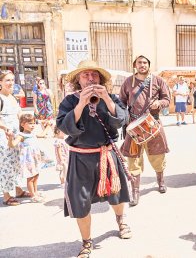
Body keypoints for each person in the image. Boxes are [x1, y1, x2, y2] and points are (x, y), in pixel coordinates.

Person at [56, 60, 132, 257]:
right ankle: (86, 242)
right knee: (80, 202)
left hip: (107, 154)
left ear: (101, 79)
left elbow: (122, 120)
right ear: (77, 80)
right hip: (81, 157)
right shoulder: (69, 101)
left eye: (94, 75)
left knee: (116, 194)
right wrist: (81, 103)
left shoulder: (111, 97)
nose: (90, 79)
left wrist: (106, 99)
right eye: (85, 75)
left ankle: (121, 220)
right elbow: (64, 127)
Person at [119, 55, 170, 206]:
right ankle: (135, 192)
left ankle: (160, 182)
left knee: (158, 155)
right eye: (139, 62)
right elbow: (121, 101)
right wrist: (124, 117)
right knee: (133, 158)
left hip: (152, 122)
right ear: (135, 65)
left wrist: (159, 103)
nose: (142, 65)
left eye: (145, 62)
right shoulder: (128, 82)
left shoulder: (158, 81)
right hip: (134, 125)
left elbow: (167, 99)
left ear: (149, 65)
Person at [0, 70, 30, 206]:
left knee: (17, 163)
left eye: (12, 80)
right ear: (0, 82)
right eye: (7, 80)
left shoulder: (12, 97)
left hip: (16, 134)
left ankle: (18, 190)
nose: (10, 83)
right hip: (4, 136)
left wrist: (26, 125)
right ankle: (6, 196)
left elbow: (19, 113)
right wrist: (5, 129)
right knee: (6, 165)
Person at [8, 114, 46, 203]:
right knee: (30, 178)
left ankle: (35, 192)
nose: (32, 125)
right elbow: (12, 145)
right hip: (28, 161)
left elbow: (43, 134)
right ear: (22, 124)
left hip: (35, 159)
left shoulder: (32, 134)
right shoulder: (21, 135)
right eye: (30, 123)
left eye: (33, 123)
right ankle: (33, 196)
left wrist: (48, 126)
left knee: (36, 175)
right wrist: (10, 138)